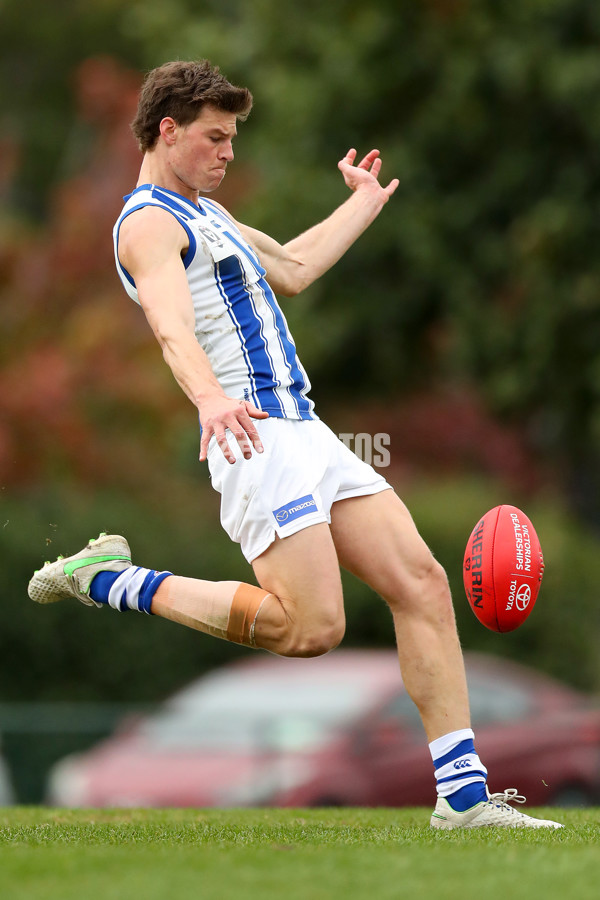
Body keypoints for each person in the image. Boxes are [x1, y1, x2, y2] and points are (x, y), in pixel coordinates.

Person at [29, 59, 561, 829]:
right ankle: (110, 577)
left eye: (233, 138)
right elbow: (172, 327)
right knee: (310, 631)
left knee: (422, 582)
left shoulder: (209, 215)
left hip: (308, 433)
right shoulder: (149, 222)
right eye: (214, 137)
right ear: (166, 131)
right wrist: (210, 400)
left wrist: (365, 205)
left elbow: (296, 266)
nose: (228, 153)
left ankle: (465, 801)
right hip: (254, 437)